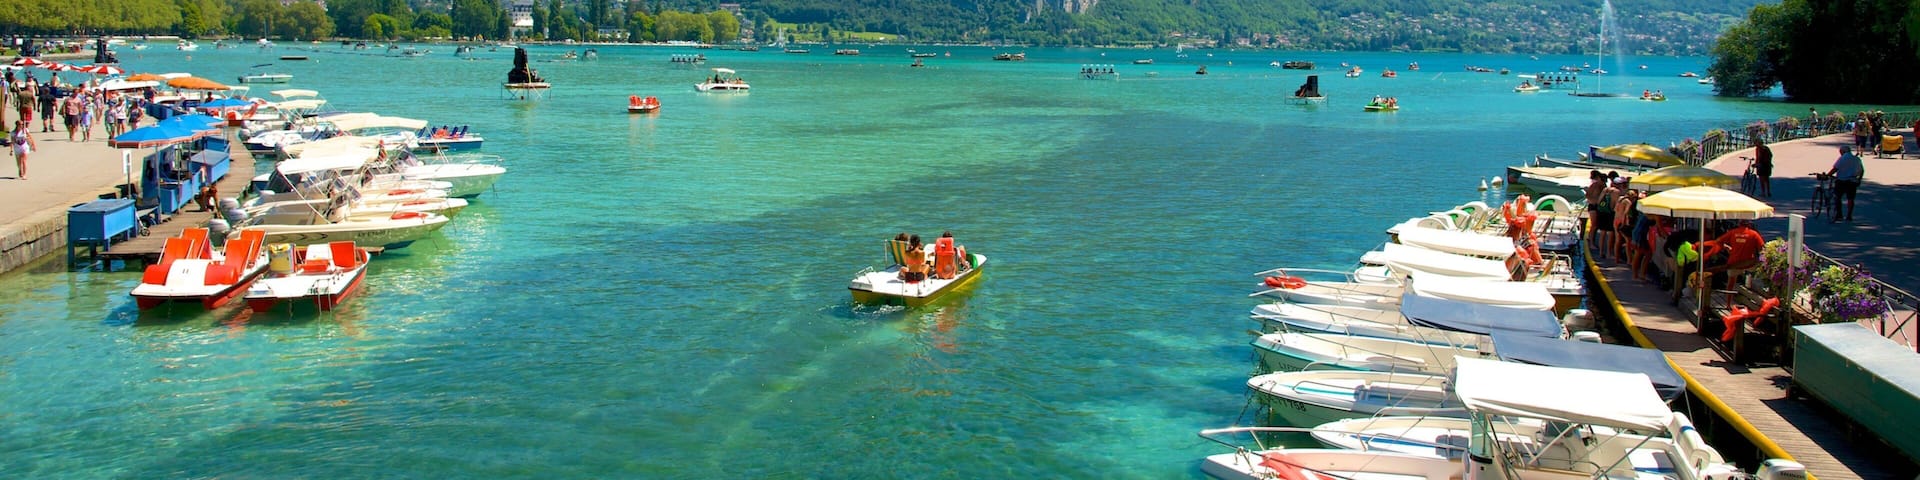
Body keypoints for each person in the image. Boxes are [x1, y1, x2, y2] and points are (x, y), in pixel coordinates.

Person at [1700, 220, 1765, 289]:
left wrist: (1727, 247)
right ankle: (1750, 284)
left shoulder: (1733, 232)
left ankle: (1728, 299)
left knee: (1731, 284)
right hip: (1749, 264)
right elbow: (1762, 248)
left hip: (1733, 264)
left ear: (1739, 224)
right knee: (1758, 269)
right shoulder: (1754, 234)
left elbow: (1718, 241)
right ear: (1749, 225)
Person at [1828, 145, 1865, 221]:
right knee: (1850, 199)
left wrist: (1828, 175)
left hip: (1842, 180)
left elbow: (1835, 168)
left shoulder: (1842, 158)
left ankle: (1839, 214)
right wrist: (1859, 179)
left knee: (1837, 197)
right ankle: (1849, 215)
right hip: (1852, 181)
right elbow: (1862, 170)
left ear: (1843, 151)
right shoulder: (1856, 159)